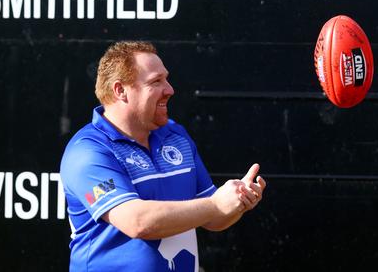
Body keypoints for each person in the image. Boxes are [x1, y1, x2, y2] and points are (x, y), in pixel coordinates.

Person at [60, 41, 266, 272]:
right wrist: (216, 204)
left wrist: (238, 201)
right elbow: (137, 222)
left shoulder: (176, 135)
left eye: (166, 79)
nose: (169, 89)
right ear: (121, 91)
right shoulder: (87, 150)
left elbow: (212, 219)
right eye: (156, 81)